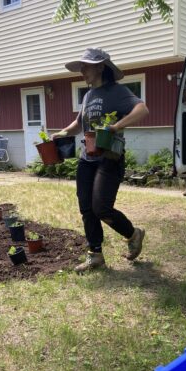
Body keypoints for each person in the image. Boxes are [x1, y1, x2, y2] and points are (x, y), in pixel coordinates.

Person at [51, 48, 149, 273]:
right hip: (88, 157)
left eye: (85, 66)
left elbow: (142, 109)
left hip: (110, 157)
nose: (82, 71)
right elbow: (79, 124)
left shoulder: (116, 91)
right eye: (81, 67)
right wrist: (62, 133)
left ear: (100, 67)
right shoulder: (87, 96)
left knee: (101, 207)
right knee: (86, 207)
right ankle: (95, 255)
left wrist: (115, 126)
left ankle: (133, 234)